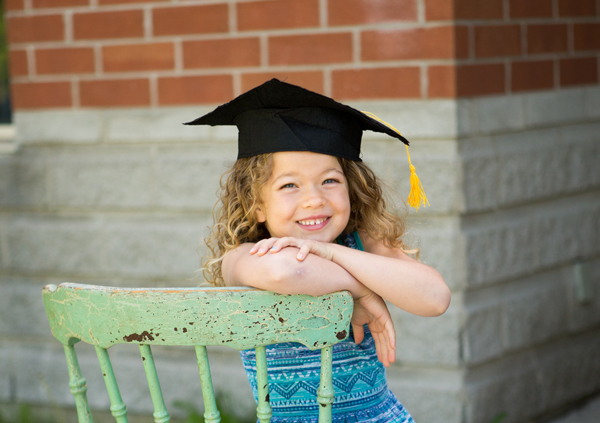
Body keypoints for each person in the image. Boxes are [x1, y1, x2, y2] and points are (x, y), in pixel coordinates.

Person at [187, 79, 451, 422]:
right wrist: (361, 291)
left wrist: (334, 254)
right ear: (256, 205)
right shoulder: (242, 257)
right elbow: (286, 271)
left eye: (330, 180)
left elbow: (435, 298)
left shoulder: (359, 243)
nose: (314, 199)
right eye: (289, 185)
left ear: (351, 189)